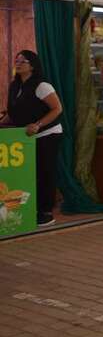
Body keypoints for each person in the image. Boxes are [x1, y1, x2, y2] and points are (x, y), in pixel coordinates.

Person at [0, 51, 63, 227]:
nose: (18, 63)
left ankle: (46, 213)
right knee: (30, 173)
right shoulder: (15, 86)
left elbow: (57, 109)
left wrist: (38, 125)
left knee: (45, 172)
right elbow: (14, 112)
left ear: (32, 65)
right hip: (26, 137)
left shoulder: (42, 86)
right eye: (17, 60)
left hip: (47, 134)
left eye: (23, 61)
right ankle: (30, 208)